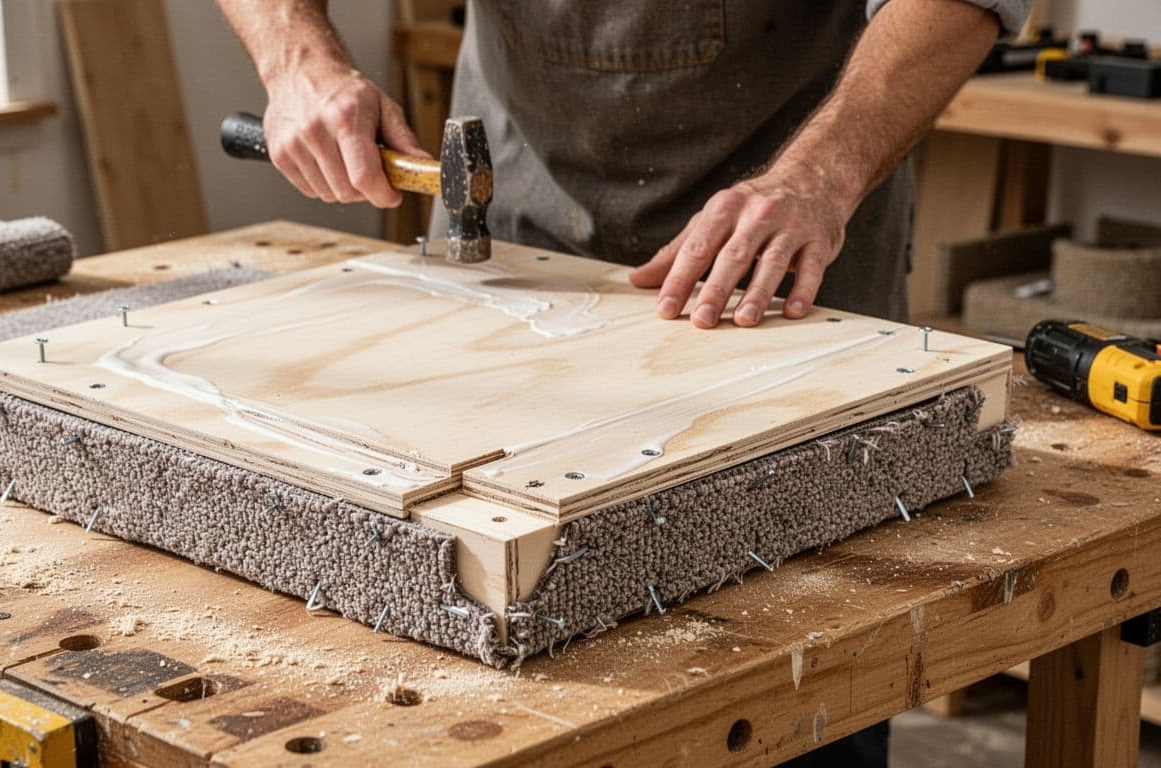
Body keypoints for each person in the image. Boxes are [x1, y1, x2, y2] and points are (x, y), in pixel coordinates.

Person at [217, 1, 1028, 764]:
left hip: (777, 271)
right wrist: (297, 57)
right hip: (512, 239)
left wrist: (823, 173)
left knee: (802, 682)